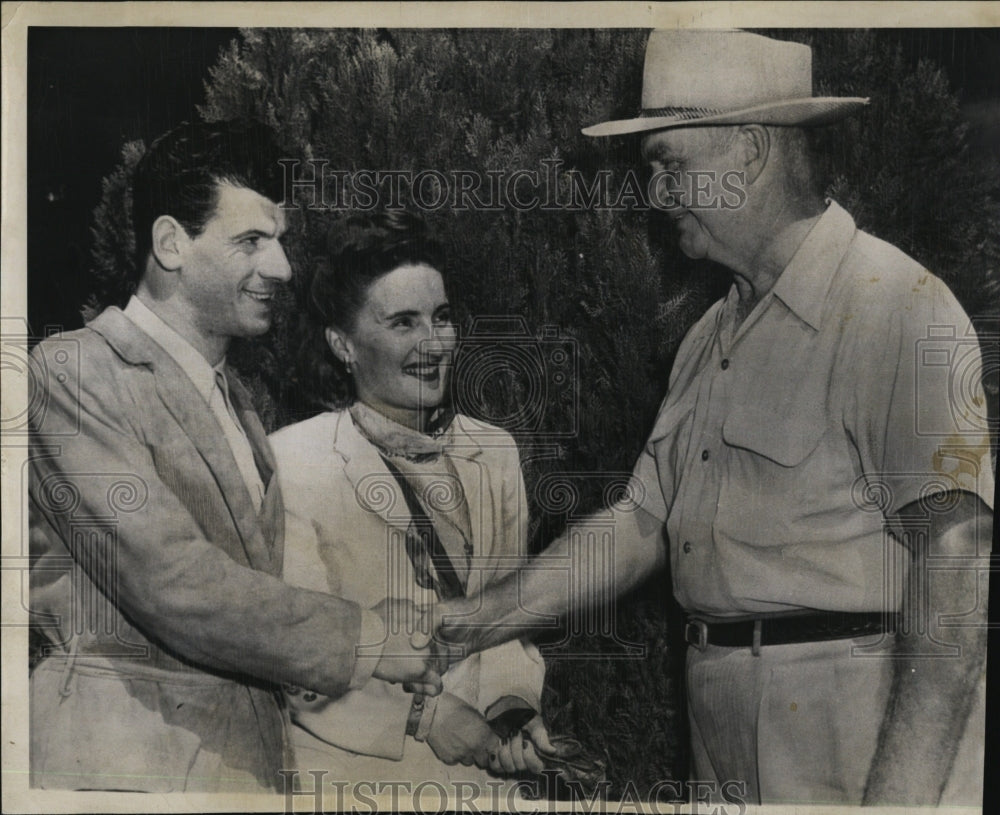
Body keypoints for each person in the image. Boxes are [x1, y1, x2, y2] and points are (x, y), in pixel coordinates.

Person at [436, 30, 994, 807]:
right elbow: (640, 522)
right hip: (722, 726)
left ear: (750, 151)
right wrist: (475, 620)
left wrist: (901, 798)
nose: (656, 194)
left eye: (671, 165)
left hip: (853, 736)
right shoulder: (709, 338)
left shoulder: (896, 306)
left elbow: (957, 559)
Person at [28, 120, 441, 793]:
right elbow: (173, 581)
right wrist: (362, 637)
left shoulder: (236, 398)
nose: (280, 267)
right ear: (170, 244)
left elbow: (252, 598)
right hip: (125, 770)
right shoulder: (75, 369)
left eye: (279, 241)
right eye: (251, 240)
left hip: (234, 769)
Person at [269, 211, 552, 794]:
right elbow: (292, 650)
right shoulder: (291, 461)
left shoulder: (493, 451)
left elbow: (508, 621)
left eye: (441, 317)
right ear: (342, 345)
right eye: (403, 323)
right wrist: (422, 716)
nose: (433, 342)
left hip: (484, 780)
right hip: (356, 778)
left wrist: (512, 710)